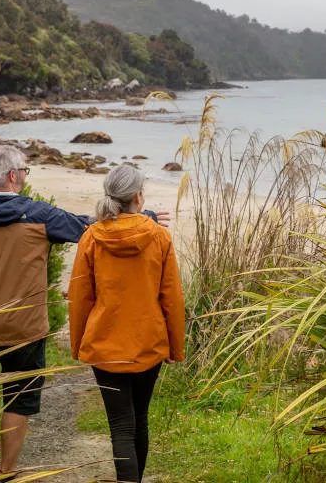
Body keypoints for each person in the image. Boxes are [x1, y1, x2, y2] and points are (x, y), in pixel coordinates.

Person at [0, 145, 166, 479]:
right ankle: (6, 471)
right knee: (18, 401)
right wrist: (144, 218)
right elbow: (89, 227)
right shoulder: (38, 215)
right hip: (26, 329)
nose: (25, 177)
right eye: (25, 171)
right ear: (13, 176)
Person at [69, 164, 185, 483]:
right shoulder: (159, 236)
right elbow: (172, 297)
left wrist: (78, 344)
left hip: (105, 345)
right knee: (140, 419)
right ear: (138, 196)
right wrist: (176, 347)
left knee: (121, 425)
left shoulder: (91, 236)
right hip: (149, 343)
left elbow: (80, 296)